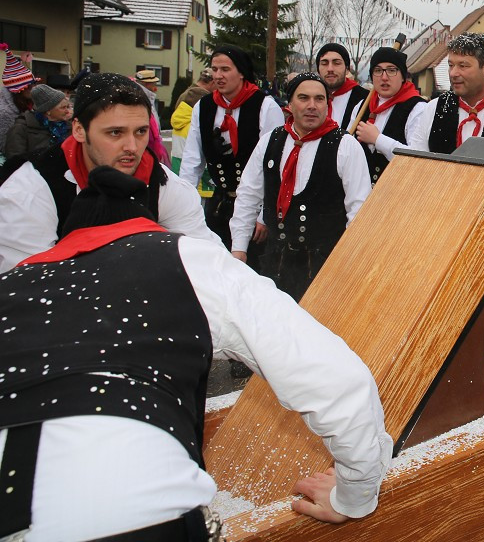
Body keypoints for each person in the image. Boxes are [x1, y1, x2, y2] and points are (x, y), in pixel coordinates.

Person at [0, 165, 392, 540]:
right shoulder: (188, 259)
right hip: (130, 503)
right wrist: (354, 496)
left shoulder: (10, 285)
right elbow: (339, 383)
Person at [0, 73, 220, 273]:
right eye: (115, 132)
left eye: (141, 131)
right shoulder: (31, 187)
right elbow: (28, 283)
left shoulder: (161, 181)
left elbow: (207, 258)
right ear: (78, 130)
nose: (132, 147)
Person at [230, 73, 371, 300]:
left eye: (319, 99)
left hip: (325, 270)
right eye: (303, 98)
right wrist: (239, 249)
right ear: (290, 103)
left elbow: (359, 210)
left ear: (328, 104)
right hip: (274, 265)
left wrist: (350, 265)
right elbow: (248, 196)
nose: (312, 106)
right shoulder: (269, 141)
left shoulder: (346, 146)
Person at [179, 45, 286, 254]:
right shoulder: (204, 106)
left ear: (242, 72)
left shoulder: (266, 106)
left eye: (225, 69)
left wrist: (263, 215)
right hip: (219, 203)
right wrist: (184, 206)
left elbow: (274, 165)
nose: (218, 75)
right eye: (214, 69)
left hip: (255, 208)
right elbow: (192, 162)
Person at [353, 45, 425, 186]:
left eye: (392, 70)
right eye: (378, 71)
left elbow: (416, 159)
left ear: (403, 76)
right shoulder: (361, 107)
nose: (384, 77)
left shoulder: (418, 108)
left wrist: (378, 139)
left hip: (396, 194)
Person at [4, 83, 71, 157]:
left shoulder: (69, 127)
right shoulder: (21, 128)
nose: (67, 111)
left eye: (68, 107)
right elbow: (14, 160)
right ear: (48, 111)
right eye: (63, 107)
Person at [170, 67, 214, 172]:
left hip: (178, 157)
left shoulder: (184, 95)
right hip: (196, 163)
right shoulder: (206, 100)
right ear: (212, 82)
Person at [318, 43, 369, 130]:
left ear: (347, 69)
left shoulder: (365, 99)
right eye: (324, 63)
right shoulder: (310, 97)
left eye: (336, 63)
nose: (330, 69)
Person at [1, 43, 35, 150]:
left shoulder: (28, 104)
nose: (32, 88)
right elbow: (5, 145)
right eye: (29, 86)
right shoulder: (4, 112)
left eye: (33, 84)